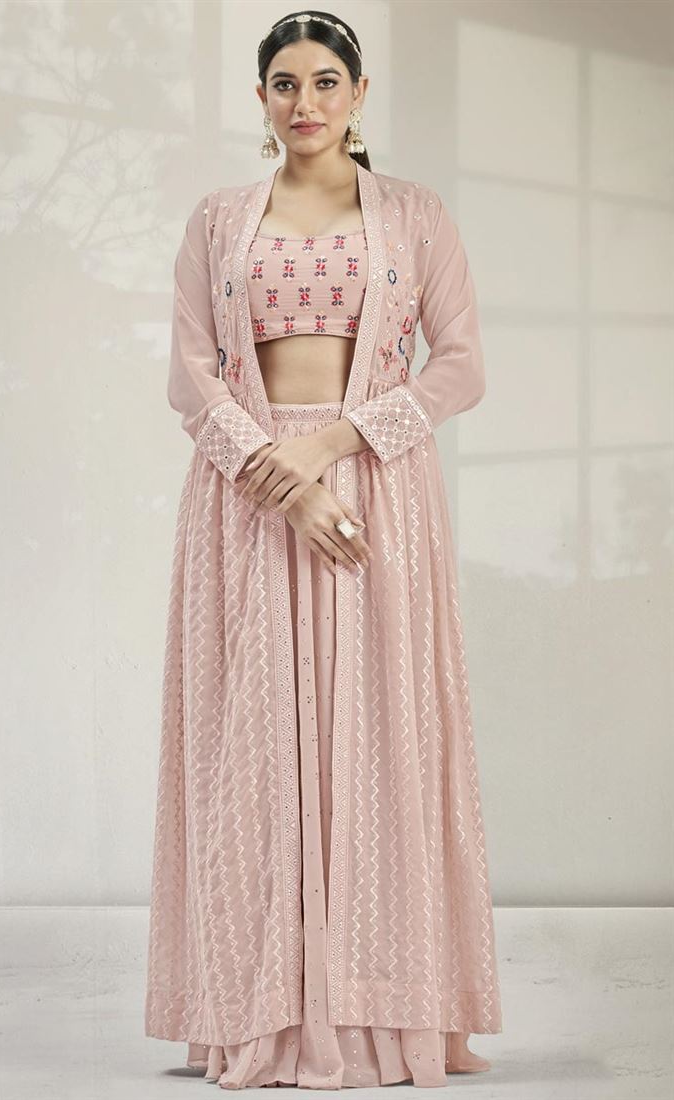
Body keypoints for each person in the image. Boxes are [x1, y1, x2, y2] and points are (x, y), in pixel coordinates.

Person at [145, 8, 503, 1090]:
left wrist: (333, 449)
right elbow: (190, 377)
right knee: (250, 752)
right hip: (246, 502)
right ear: (261, 99)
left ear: (358, 94)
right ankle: (254, 1017)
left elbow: (460, 365)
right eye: (284, 84)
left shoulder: (414, 215)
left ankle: (389, 1017)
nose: (304, 102)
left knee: (381, 739)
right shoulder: (219, 220)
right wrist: (277, 477)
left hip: (376, 494)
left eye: (325, 81)